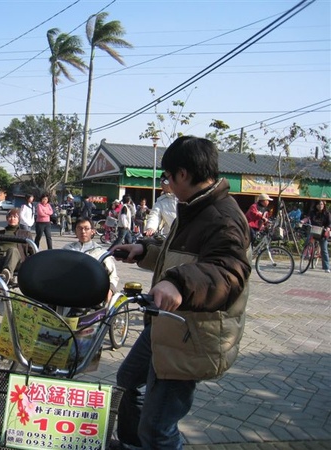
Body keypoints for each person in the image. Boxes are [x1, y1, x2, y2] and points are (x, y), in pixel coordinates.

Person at [111, 136, 251, 449]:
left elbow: (228, 271)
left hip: (192, 335)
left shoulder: (222, 217)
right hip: (167, 326)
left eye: (169, 177)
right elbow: (176, 254)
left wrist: (178, 283)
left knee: (159, 428)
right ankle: (134, 444)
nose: (168, 184)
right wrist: (142, 250)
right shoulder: (193, 208)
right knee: (128, 381)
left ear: (183, 175)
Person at [63, 217, 119, 302]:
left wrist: (110, 289)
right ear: (76, 231)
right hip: (68, 288)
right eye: (80, 228)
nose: (83, 231)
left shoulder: (101, 252)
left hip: (91, 291)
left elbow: (113, 275)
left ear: (92, 231)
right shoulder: (67, 249)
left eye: (86, 228)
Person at [0, 208, 34, 283]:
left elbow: (32, 251)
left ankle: (6, 275)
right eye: (10, 217)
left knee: (12, 250)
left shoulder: (25, 234)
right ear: (7, 219)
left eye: (15, 217)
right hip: (0, 257)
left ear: (18, 219)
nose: (12, 219)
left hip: (16, 259)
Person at [303, 200, 330, 273]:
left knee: (324, 250)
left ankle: (326, 267)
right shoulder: (312, 212)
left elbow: (329, 223)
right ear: (316, 205)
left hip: (322, 233)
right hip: (313, 231)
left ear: (324, 205)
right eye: (319, 204)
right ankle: (305, 255)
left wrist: (328, 228)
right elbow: (307, 218)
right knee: (308, 241)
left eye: (321, 204)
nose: (320, 205)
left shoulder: (327, 214)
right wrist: (302, 221)